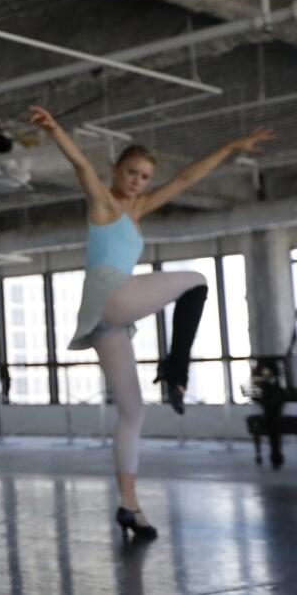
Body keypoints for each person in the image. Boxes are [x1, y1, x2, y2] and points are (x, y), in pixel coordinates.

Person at [28, 104, 274, 539]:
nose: (137, 182)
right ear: (116, 169)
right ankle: (175, 371)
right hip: (111, 295)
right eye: (131, 173)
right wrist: (55, 130)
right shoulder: (104, 203)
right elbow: (81, 164)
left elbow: (185, 179)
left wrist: (231, 146)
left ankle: (129, 505)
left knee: (132, 411)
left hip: (108, 320)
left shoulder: (138, 210)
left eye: (143, 177)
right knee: (197, 281)